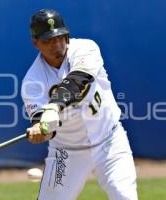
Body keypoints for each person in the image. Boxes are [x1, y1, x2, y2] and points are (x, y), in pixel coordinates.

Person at [21, 9, 138, 200]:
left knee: (124, 195)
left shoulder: (85, 48)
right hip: (66, 152)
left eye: (60, 37)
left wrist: (54, 106)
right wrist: (40, 131)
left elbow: (79, 77)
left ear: (67, 35)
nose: (56, 43)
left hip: (109, 141)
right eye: (48, 40)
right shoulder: (31, 81)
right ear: (36, 43)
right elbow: (44, 123)